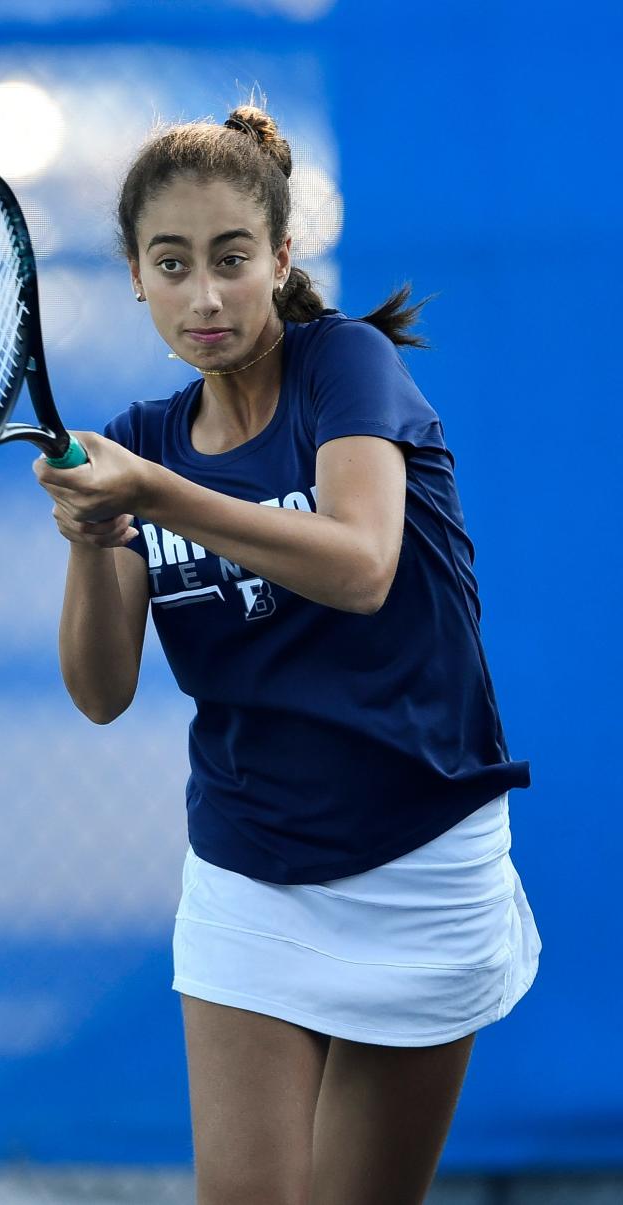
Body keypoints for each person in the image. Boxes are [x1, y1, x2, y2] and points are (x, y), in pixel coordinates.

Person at [33, 102, 541, 1205]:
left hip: (420, 848)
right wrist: (90, 539)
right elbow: (102, 690)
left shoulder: (344, 368)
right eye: (172, 264)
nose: (203, 295)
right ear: (134, 274)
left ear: (280, 257)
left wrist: (155, 492)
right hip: (249, 864)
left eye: (230, 258)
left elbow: (361, 563)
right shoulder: (139, 439)